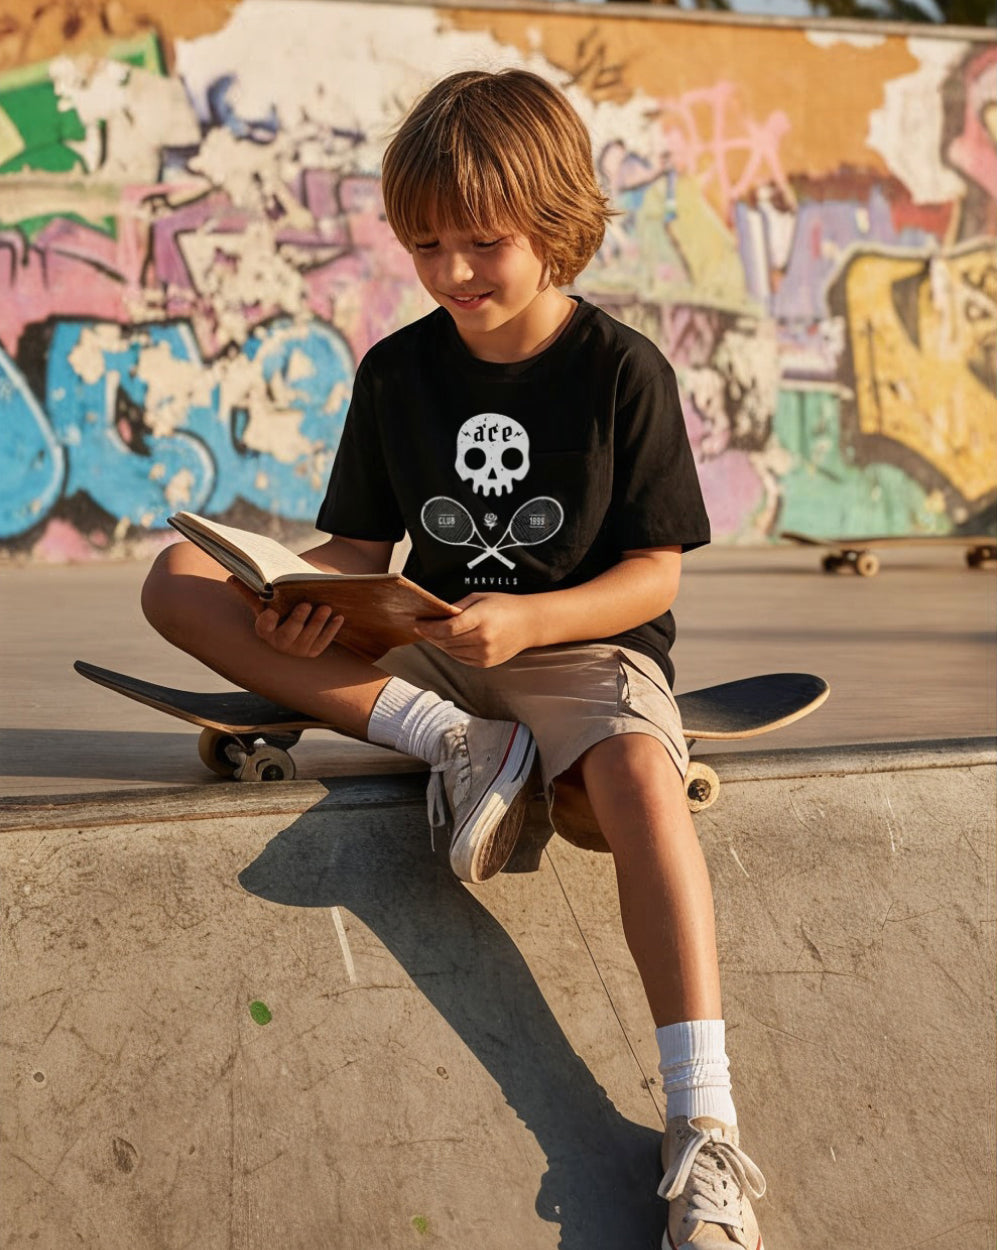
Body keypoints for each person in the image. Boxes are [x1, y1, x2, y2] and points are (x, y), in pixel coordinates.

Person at [141, 67, 766, 1249]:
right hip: (425, 652)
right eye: (425, 245)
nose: (451, 273)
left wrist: (529, 622)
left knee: (632, 786)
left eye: (481, 242)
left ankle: (705, 1125)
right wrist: (294, 590)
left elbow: (654, 574)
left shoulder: (620, 369)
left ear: (557, 221)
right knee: (174, 579)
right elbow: (359, 544)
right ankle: (456, 745)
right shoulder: (396, 370)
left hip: (574, 644)